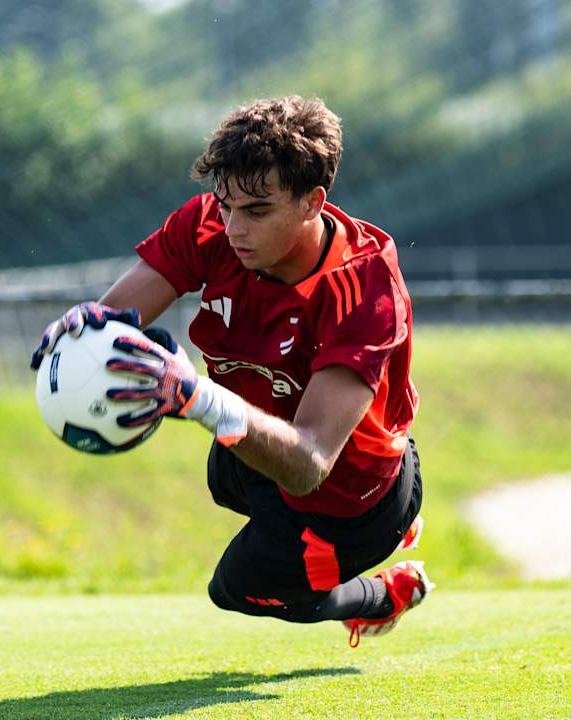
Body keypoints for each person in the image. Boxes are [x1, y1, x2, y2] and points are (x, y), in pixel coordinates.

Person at [30, 96, 429, 646]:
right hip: (270, 450)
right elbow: (117, 315)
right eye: (225, 205)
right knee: (225, 476)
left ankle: (384, 593)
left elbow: (309, 461)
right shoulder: (211, 227)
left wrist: (196, 394)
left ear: (313, 202)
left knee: (239, 590)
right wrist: (87, 329)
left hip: (352, 497)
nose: (233, 228)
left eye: (257, 211)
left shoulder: (366, 288)